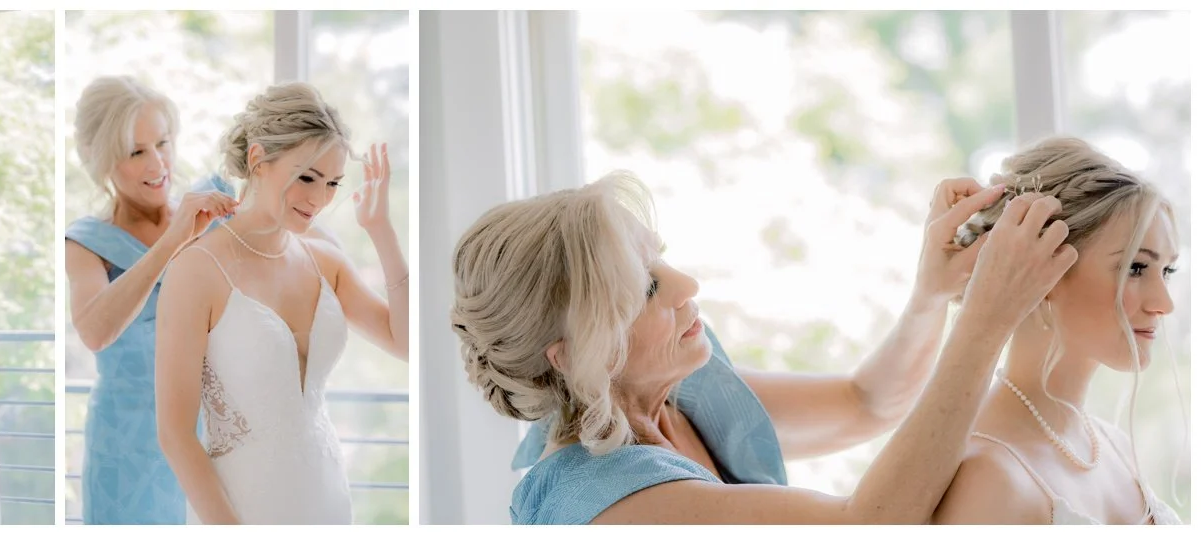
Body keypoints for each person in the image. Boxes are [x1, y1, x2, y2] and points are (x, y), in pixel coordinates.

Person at [453, 169, 1077, 524]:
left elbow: (866, 404)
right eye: (645, 288)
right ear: (575, 354)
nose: (687, 286)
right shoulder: (610, 503)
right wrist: (988, 322)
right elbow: (870, 526)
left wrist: (932, 294)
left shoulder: (679, 383)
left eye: (660, 259)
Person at [156, 82, 409, 524]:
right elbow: (175, 433)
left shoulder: (324, 260)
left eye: (332, 183)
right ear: (258, 159)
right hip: (241, 509)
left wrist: (381, 232)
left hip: (327, 499)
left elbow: (406, 344)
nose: (319, 198)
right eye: (307, 177)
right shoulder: (197, 269)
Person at [933, 137, 1183, 524]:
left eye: (1166, 271)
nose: (1163, 303)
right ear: (1042, 268)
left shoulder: (1115, 447)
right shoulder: (992, 477)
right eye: (1135, 268)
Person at [66, 75, 236, 524]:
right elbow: (95, 331)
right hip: (126, 450)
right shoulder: (86, 242)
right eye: (136, 151)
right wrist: (173, 241)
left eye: (163, 142)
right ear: (101, 159)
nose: (158, 163)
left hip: (214, 439)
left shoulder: (213, 216)